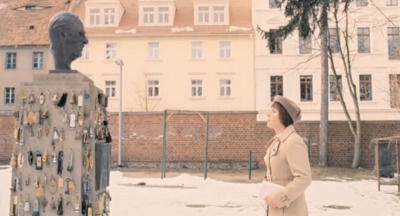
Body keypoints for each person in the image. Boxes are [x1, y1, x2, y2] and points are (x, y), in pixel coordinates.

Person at [263, 95, 312, 216]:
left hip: (290, 211)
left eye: (273, 111)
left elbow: (303, 178)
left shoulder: (293, 141)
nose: (268, 114)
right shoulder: (277, 141)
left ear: (283, 117)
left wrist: (279, 198)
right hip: (275, 210)